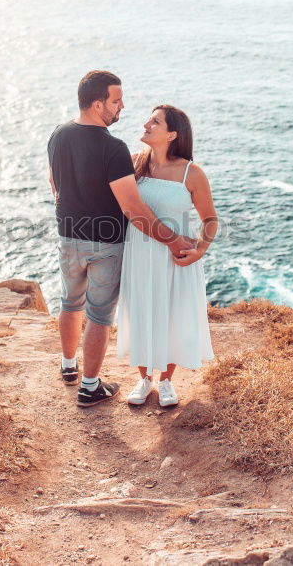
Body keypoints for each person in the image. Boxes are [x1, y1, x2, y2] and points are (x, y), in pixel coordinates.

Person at [47, 72, 197, 407]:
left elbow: (54, 181)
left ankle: (68, 365)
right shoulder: (113, 148)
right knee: (99, 314)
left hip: (68, 236)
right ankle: (89, 386)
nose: (122, 107)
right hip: (106, 243)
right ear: (98, 104)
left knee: (70, 302)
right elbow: (133, 209)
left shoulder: (58, 135)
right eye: (116, 101)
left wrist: (69, 208)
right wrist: (173, 241)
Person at [116, 105, 217, 407]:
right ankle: (144, 378)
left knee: (171, 315)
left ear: (173, 134)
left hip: (176, 259)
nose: (146, 123)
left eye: (155, 121)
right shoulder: (133, 164)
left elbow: (210, 219)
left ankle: (166, 380)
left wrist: (199, 250)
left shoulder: (192, 173)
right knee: (141, 310)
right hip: (138, 254)